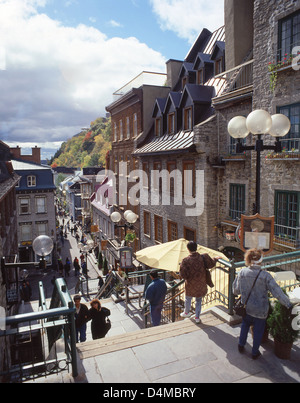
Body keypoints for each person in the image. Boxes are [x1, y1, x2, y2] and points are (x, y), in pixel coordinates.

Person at [233, 248, 293, 359]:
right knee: (258, 331)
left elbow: (235, 291)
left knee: (245, 326)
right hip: (260, 311)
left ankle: (241, 345)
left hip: (247, 308)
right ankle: (254, 352)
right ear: (260, 261)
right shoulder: (265, 276)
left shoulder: (242, 272)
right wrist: (288, 304)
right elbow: (277, 292)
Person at [179, 241, 219, 323]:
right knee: (198, 301)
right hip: (201, 283)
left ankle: (186, 312)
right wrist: (215, 259)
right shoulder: (204, 257)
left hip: (190, 284)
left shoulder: (185, 261)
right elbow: (211, 264)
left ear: (188, 249)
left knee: (188, 298)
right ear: (196, 248)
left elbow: (183, 274)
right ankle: (197, 317)